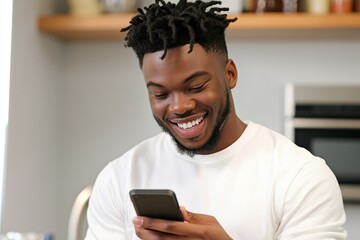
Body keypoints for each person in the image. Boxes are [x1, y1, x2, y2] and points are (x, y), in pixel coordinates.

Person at [85, 0, 347, 239]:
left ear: (230, 74)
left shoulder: (301, 178)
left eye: (196, 86)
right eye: (160, 94)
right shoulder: (119, 177)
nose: (179, 107)